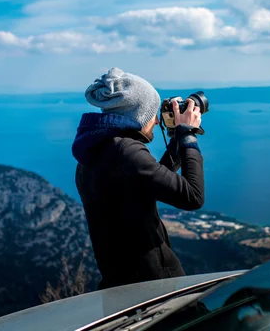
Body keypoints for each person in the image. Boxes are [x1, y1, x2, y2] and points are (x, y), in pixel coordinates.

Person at [71, 67, 204, 290]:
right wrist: (188, 135)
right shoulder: (126, 152)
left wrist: (176, 141)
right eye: (154, 113)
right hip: (154, 284)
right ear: (139, 114)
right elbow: (193, 196)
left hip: (120, 282)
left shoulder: (93, 152)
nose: (157, 121)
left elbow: (150, 180)